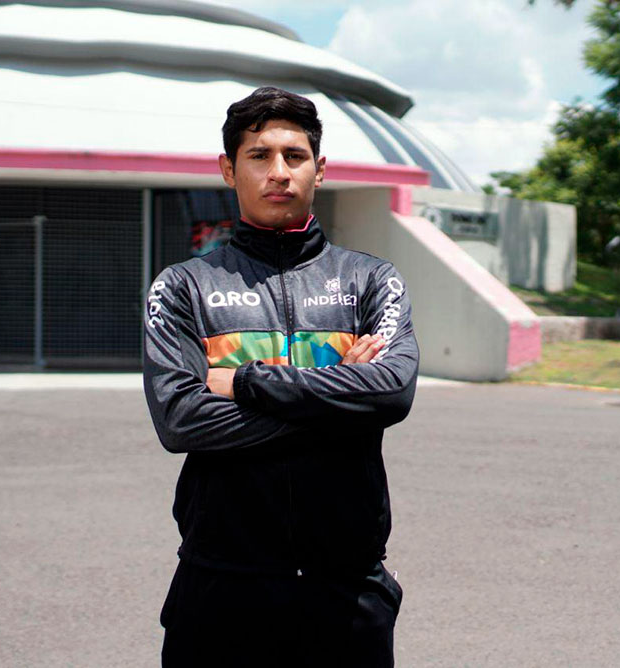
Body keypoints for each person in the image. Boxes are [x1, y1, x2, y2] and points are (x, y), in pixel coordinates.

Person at [143, 86, 419, 667]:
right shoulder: (182, 287)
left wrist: (248, 383)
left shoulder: (372, 280)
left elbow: (391, 392)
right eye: (259, 155)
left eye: (294, 156)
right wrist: (341, 400)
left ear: (320, 169)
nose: (278, 172)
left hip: (347, 588)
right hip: (221, 585)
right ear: (228, 169)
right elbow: (180, 419)